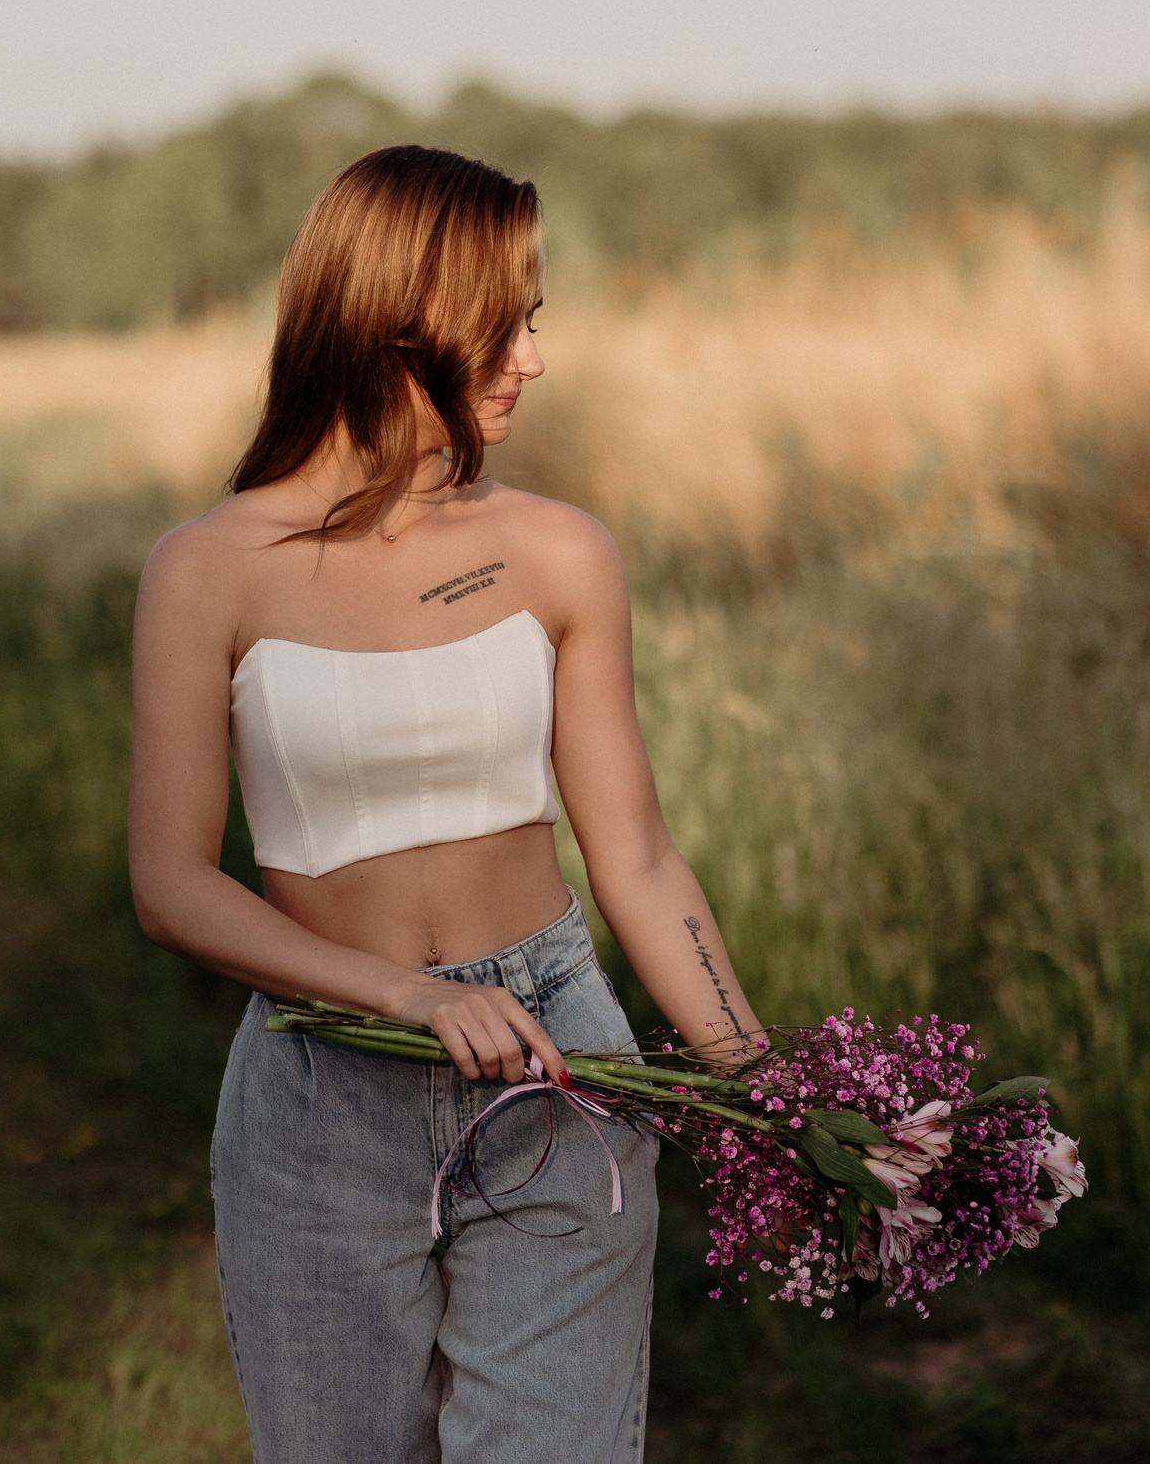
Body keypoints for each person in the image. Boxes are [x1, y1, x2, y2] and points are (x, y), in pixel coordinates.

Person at [128, 145, 763, 1462]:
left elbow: (635, 857)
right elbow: (174, 883)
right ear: (398, 317)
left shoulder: (557, 552)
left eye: (536, 320)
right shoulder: (208, 572)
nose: (533, 356)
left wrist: (767, 1087)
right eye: (508, 321)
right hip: (321, 1087)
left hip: (560, 1069)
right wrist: (407, 998)